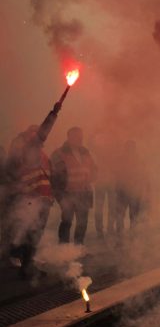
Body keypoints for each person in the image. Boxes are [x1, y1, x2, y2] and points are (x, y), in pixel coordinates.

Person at [5, 103, 61, 277]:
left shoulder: (42, 155)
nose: (38, 136)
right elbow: (43, 133)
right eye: (34, 133)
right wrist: (54, 113)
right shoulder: (29, 149)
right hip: (32, 200)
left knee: (35, 234)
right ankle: (25, 266)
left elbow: (48, 177)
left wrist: (52, 197)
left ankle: (28, 264)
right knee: (30, 233)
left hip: (42, 201)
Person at [51, 127, 97, 245]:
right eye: (76, 136)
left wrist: (92, 176)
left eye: (81, 136)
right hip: (67, 193)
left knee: (82, 222)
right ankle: (63, 247)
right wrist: (59, 195)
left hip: (84, 193)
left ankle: (78, 247)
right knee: (67, 221)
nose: (79, 139)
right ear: (69, 137)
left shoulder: (85, 152)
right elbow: (53, 175)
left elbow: (93, 168)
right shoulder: (59, 153)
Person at [115, 140, 148, 234]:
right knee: (122, 216)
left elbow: (144, 176)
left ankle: (130, 237)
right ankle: (123, 237)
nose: (130, 150)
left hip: (133, 192)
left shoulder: (139, 160)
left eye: (132, 147)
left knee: (132, 216)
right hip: (124, 191)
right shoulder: (121, 160)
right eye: (129, 147)